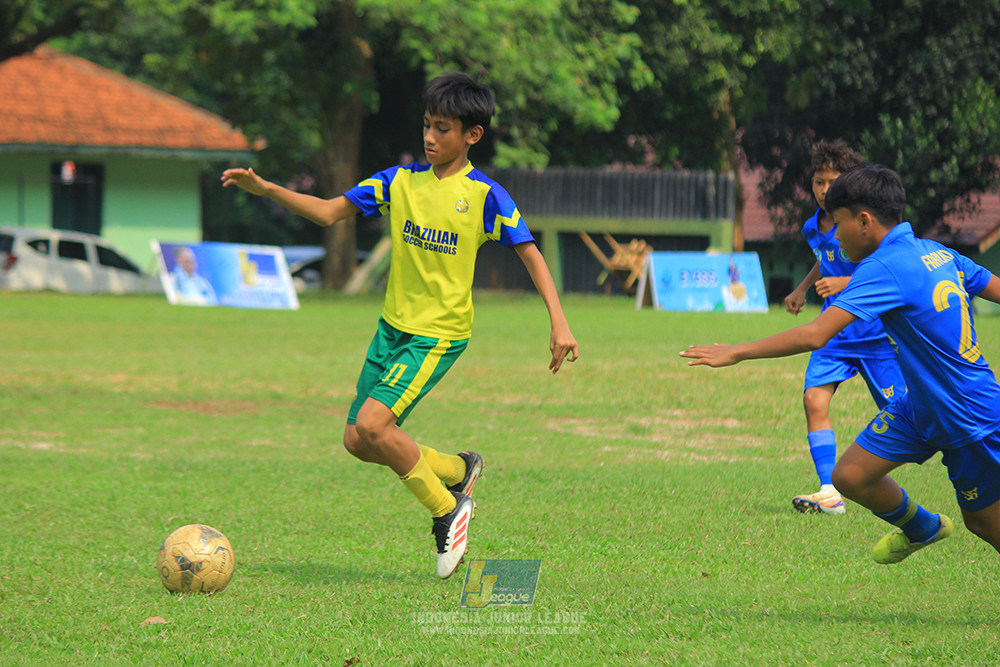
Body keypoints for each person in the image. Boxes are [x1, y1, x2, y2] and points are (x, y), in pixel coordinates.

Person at [221, 71, 579, 579]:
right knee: (356, 440)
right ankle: (459, 469)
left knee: (374, 425)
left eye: (443, 129)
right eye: (427, 126)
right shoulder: (398, 181)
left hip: (439, 334)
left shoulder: (485, 195)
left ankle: (447, 509)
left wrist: (559, 323)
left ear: (472, 135)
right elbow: (327, 212)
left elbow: (531, 253)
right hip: (391, 328)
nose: (430, 138)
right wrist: (266, 188)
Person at [681, 164, 1000, 564]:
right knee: (849, 475)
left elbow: (816, 334)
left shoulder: (883, 267)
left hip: (965, 413)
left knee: (985, 524)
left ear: (864, 221)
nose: (832, 234)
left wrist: (736, 351)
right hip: (921, 405)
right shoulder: (936, 251)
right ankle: (923, 527)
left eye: (838, 222)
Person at [782, 140, 906, 516]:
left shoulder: (863, 221)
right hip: (834, 334)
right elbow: (825, 260)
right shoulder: (814, 226)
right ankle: (828, 491)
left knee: (908, 412)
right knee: (813, 400)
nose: (822, 190)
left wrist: (844, 284)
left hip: (874, 335)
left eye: (830, 182)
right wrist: (802, 288)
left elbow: (885, 267)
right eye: (818, 182)